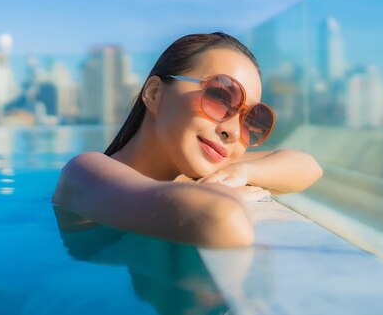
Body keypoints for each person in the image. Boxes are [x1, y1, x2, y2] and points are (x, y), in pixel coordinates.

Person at [52, 32, 322, 248]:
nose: (235, 132)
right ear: (155, 94)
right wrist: (218, 194)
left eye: (251, 119)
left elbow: (309, 167)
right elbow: (220, 219)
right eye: (219, 96)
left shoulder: (193, 170)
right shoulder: (84, 172)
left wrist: (241, 172)